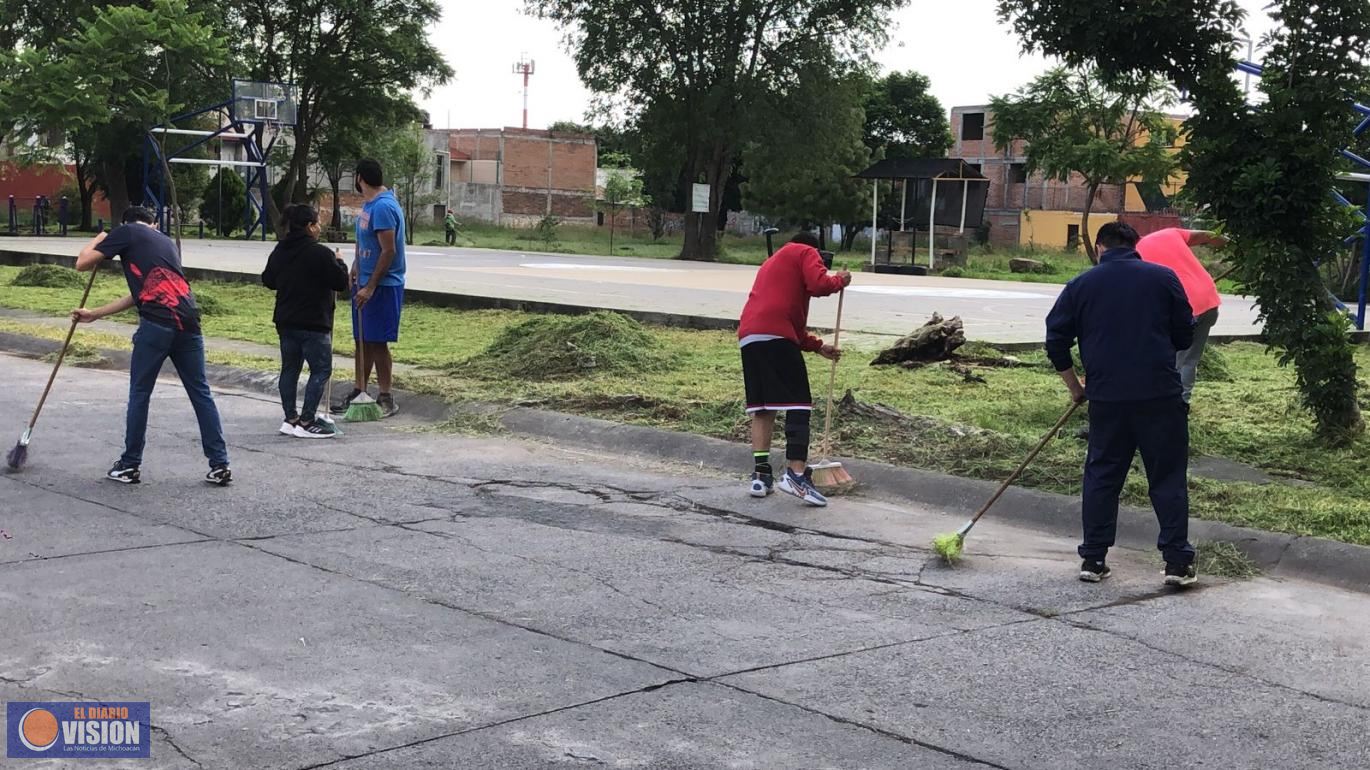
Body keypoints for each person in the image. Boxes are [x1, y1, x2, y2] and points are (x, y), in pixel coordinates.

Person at [1045, 222, 1196, 586]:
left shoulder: (1080, 285)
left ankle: (1093, 559)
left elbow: (1055, 340)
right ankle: (1177, 562)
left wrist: (1075, 386)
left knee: (1103, 474)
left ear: (1100, 248)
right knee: (1167, 477)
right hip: (1159, 394)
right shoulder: (1164, 278)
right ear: (1137, 245)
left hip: (1106, 397)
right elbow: (1184, 334)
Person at [73, 206, 232, 485]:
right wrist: (95, 314)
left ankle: (129, 464)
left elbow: (82, 263)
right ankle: (220, 465)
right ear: (154, 224)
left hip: (157, 325)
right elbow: (143, 293)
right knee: (200, 393)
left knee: (140, 393)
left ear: (127, 223)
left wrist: (99, 240)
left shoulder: (127, 231)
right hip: (189, 323)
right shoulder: (165, 242)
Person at [737, 231, 850, 507]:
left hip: (750, 336)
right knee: (799, 402)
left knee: (764, 407)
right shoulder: (804, 251)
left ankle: (761, 475)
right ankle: (796, 473)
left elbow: (793, 325)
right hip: (776, 336)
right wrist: (840, 281)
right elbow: (819, 283)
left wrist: (818, 346)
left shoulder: (773, 263)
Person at [262, 204, 350, 438]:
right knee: (321, 369)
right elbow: (340, 283)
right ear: (310, 226)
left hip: (286, 319)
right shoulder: (320, 253)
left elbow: (268, 280)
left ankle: (290, 418)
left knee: (290, 369)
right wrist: (340, 262)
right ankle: (308, 420)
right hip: (314, 321)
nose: (320, 228)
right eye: (317, 223)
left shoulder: (280, 250)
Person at [331, 158, 406, 418]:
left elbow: (388, 251)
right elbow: (366, 242)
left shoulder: (384, 207)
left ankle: (386, 395)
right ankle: (359, 390)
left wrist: (371, 285)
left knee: (377, 342)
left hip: (382, 285)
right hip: (362, 282)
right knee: (362, 340)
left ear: (360, 178)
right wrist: (355, 265)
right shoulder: (369, 205)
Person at [1136, 227, 1227, 404]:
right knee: (1188, 360)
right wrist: (1230, 245)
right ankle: (1181, 404)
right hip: (1208, 300)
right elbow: (1206, 235)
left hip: (1183, 307)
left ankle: (1169, 407)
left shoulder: (1134, 256)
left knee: (1171, 360)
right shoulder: (1169, 233)